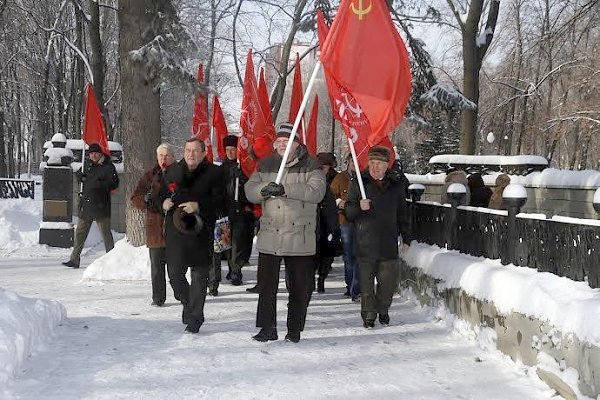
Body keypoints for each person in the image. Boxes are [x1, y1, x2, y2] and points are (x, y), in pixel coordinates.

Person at [245, 122, 326, 343]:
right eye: (279, 142)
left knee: (300, 287)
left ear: (296, 144)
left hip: (299, 236)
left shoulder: (312, 164)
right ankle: (267, 328)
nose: (282, 145)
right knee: (266, 287)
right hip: (271, 234)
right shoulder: (265, 164)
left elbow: (316, 191)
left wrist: (286, 189)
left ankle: (294, 329)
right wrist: (264, 190)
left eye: (286, 141)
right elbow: (249, 190)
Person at [159, 138, 224, 333]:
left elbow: (222, 201)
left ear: (204, 153)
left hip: (200, 232)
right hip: (176, 232)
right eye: (187, 150)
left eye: (196, 150)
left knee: (199, 276)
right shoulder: (172, 171)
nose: (191, 154)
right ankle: (188, 302)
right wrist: (162, 203)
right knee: (174, 275)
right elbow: (158, 195)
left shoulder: (215, 173)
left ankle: (196, 317)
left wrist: (199, 205)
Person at [345, 146, 412, 328]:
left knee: (387, 286)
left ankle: (383, 309)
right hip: (365, 243)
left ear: (386, 165)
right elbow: (349, 212)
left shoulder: (396, 184)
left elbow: (403, 213)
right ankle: (368, 316)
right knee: (366, 286)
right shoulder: (359, 182)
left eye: (379, 164)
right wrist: (359, 206)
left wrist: (406, 237)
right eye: (372, 163)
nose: (375, 167)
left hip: (388, 243)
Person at [130, 143, 176, 306]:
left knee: (176, 267)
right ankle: (158, 298)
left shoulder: (181, 174)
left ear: (173, 157)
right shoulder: (150, 176)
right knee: (157, 267)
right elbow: (135, 198)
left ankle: (181, 293)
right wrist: (146, 199)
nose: (163, 159)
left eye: (167, 155)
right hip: (155, 228)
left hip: (175, 227)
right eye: (161, 156)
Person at [62, 143, 119, 268]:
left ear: (100, 153)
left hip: (101, 205)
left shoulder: (108, 167)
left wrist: (97, 184)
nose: (93, 156)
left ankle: (113, 260)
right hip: (87, 204)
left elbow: (114, 183)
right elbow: (83, 178)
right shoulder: (87, 165)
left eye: (95, 153)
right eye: (91, 154)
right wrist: (79, 176)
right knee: (80, 233)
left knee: (106, 235)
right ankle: (74, 259)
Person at [218, 134, 255, 289]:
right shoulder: (220, 170)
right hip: (223, 211)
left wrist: (243, 180)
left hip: (239, 210)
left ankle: (236, 272)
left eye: (233, 149)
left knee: (237, 243)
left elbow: (250, 188)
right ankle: (230, 269)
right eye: (227, 150)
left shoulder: (244, 168)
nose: (230, 152)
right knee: (225, 243)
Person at [330, 153, 360, 301]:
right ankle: (350, 286)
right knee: (349, 256)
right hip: (345, 222)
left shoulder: (364, 178)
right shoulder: (340, 178)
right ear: (348, 161)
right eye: (352, 160)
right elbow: (330, 196)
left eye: (357, 160)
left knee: (360, 255)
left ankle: (357, 288)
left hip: (362, 222)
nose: (354, 163)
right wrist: (338, 202)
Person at [312, 152, 340, 294]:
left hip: (328, 219)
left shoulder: (334, 179)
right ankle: (311, 280)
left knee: (327, 254)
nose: (322, 169)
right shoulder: (311, 178)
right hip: (313, 220)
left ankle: (322, 278)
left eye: (325, 167)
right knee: (313, 254)